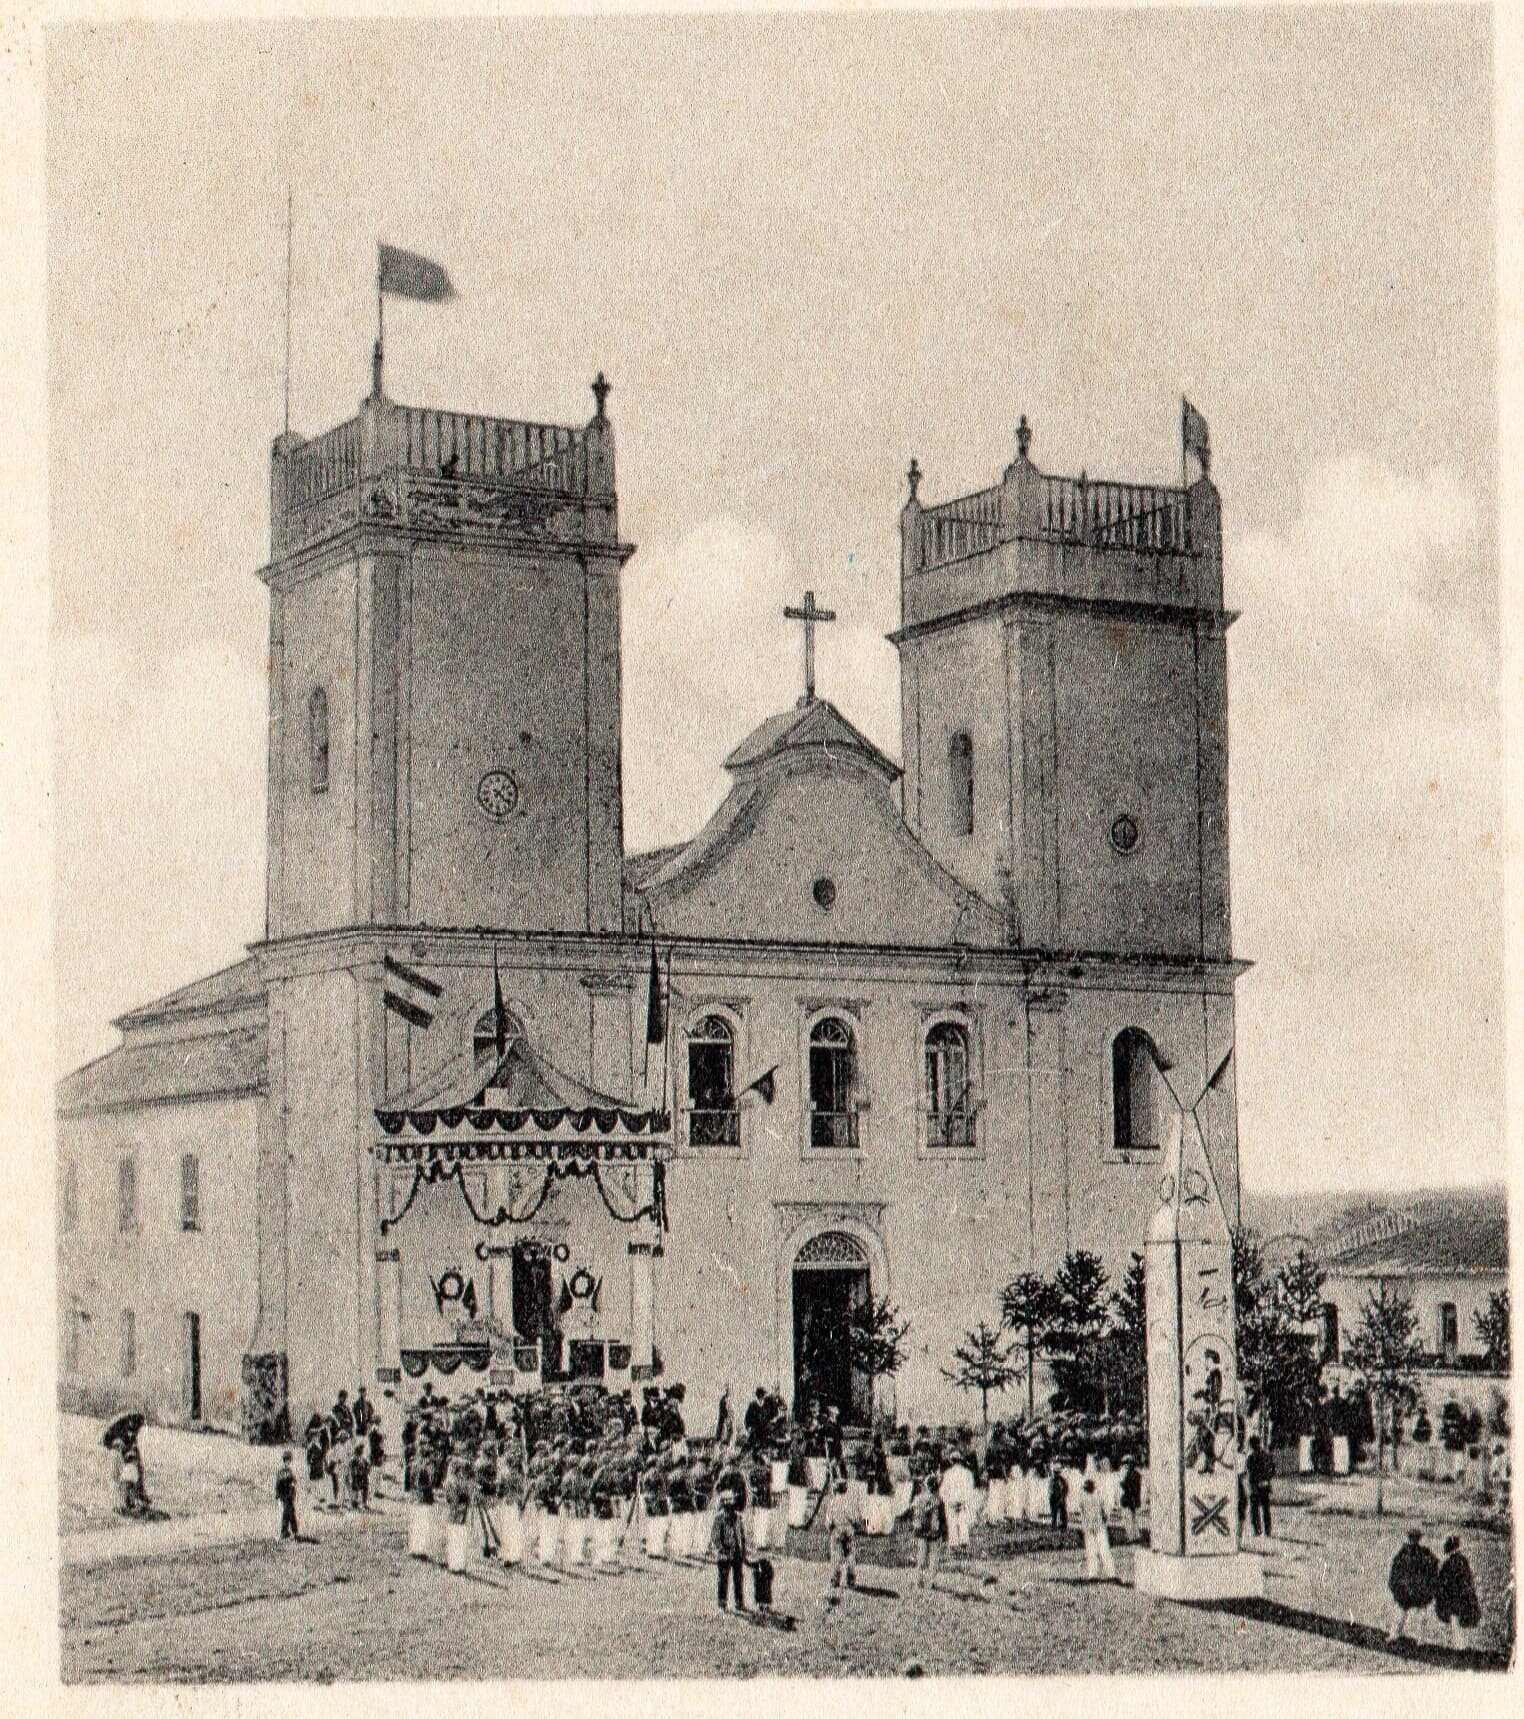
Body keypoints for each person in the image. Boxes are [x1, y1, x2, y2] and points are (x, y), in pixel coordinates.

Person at [1388, 1527, 1439, 1643]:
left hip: (1406, 1589)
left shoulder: (1403, 1552)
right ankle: (1421, 1639)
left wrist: (1396, 1586)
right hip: (1419, 1590)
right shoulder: (1424, 1552)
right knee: (1420, 1615)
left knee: (1401, 1613)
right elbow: (1434, 1564)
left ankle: (1395, 1634)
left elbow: (1395, 1570)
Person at [1435, 1535, 1481, 1650]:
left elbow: (1442, 1580)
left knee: (1454, 1620)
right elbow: (1468, 1578)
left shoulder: (1448, 1563)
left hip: (1452, 1596)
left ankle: (1459, 1645)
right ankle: (1460, 1644)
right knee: (1459, 1620)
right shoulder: (1463, 1560)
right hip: (1463, 1595)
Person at [711, 1484, 748, 1612]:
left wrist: (743, 1550)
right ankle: (722, 1602)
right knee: (723, 1579)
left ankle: (739, 1601)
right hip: (724, 1553)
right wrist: (722, 1549)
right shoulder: (718, 1518)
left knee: (738, 1578)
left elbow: (741, 1535)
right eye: (728, 1502)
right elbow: (715, 1537)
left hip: (736, 1552)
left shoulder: (738, 1517)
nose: (730, 1505)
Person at [910, 1474, 946, 1590]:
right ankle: (930, 1582)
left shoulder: (918, 1498)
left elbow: (913, 1514)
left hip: (921, 1531)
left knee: (921, 1556)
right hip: (934, 1531)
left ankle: (918, 1580)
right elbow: (942, 1518)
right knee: (933, 1557)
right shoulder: (939, 1500)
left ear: (925, 1485)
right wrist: (944, 1532)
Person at [1078, 1476, 1116, 1580]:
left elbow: (1082, 1515)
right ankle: (1110, 1573)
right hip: (1097, 1526)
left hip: (1091, 1526)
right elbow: (1105, 1513)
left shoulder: (1084, 1498)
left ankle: (1093, 1574)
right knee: (1103, 1550)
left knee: (1093, 1551)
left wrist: (1084, 1526)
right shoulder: (1098, 1497)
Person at [824, 1473, 857, 1593]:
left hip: (837, 1529)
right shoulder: (849, 1502)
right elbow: (855, 1518)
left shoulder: (832, 1503)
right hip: (848, 1529)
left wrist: (830, 1528)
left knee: (836, 1555)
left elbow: (828, 1521)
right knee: (850, 1554)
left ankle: (835, 1579)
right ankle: (850, 1579)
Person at [1245, 1435, 1273, 1538]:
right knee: (1266, 1509)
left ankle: (1256, 1530)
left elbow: (1250, 1472)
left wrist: (1252, 1483)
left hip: (1254, 1486)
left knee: (1254, 1509)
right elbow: (1272, 1469)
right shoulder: (1265, 1455)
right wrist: (1267, 1479)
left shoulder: (1250, 1456)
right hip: (1265, 1484)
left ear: (1250, 1445)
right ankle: (1267, 1530)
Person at [276, 1450, 300, 1540]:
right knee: (286, 1514)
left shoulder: (290, 1471)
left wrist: (293, 1488)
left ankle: (294, 1531)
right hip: (284, 1496)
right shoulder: (281, 1471)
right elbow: (278, 1485)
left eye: (290, 1460)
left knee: (292, 1513)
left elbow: (294, 1481)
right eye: (287, 1460)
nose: (289, 1462)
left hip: (290, 1496)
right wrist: (278, 1496)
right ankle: (284, 1532)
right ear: (284, 1460)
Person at [1119, 1456, 1143, 1542]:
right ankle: (1136, 1535)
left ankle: (1131, 1536)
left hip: (1127, 1499)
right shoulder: (1138, 1474)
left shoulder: (1127, 1474)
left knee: (1128, 1518)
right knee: (1134, 1518)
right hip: (1135, 1499)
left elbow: (1124, 1485)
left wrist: (1122, 1482)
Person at [1047, 1464, 1069, 1531]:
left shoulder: (1062, 1480)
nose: (1056, 1474)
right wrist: (1050, 1496)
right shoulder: (1051, 1480)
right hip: (1053, 1498)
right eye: (1055, 1472)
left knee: (1063, 1512)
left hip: (1060, 1497)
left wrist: (1062, 1497)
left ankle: (1063, 1525)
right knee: (1053, 1512)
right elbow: (1050, 1489)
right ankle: (1054, 1526)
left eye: (1057, 1472)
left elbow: (1066, 1489)